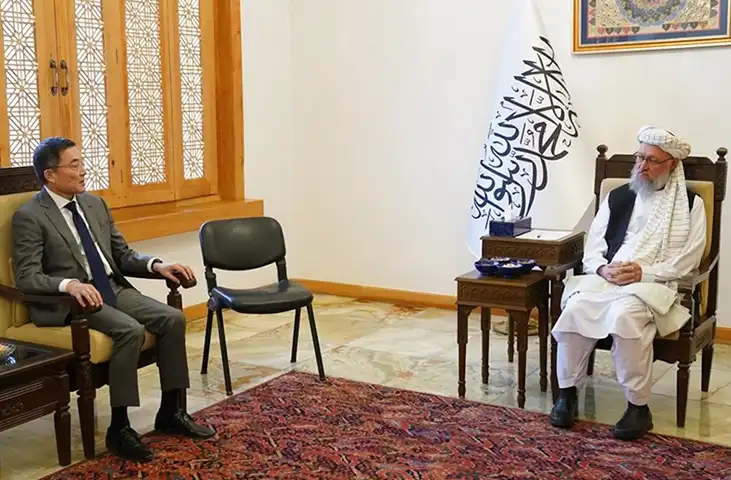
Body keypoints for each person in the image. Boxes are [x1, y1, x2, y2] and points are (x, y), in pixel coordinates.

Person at [12, 137, 216, 461]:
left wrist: (157, 265)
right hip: (74, 302)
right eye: (74, 165)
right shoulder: (30, 216)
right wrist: (68, 285)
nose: (83, 170)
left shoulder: (94, 205)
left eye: (82, 162)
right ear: (50, 175)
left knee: (173, 319)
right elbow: (27, 275)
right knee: (129, 330)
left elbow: (121, 255)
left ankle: (171, 411)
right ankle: (119, 429)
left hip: (111, 288)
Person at [549, 126, 707, 440]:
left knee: (625, 317)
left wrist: (642, 273)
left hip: (653, 284)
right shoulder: (618, 196)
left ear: (672, 164)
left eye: (651, 160)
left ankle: (638, 407)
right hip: (608, 279)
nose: (642, 166)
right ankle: (566, 394)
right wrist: (602, 269)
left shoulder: (691, 204)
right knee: (575, 309)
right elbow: (593, 247)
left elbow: (689, 259)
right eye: (639, 157)